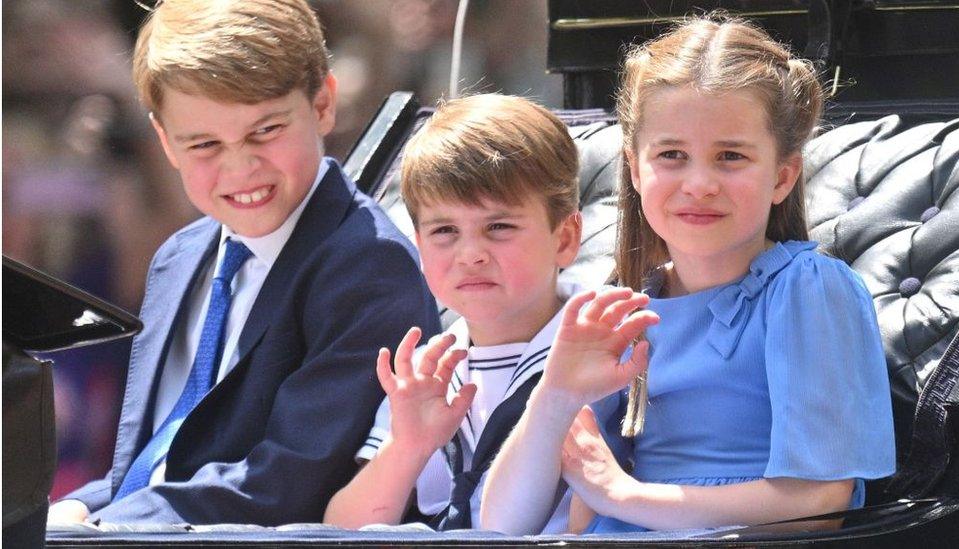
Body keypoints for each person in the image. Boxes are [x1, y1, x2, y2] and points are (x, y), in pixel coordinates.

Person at [480, 15, 897, 534]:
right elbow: (502, 526)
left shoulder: (806, 290)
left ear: (782, 177)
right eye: (672, 155)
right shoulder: (626, 309)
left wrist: (624, 495)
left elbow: (819, 502)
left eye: (730, 157)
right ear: (635, 170)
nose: (699, 183)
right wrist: (556, 393)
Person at [46, 0, 440, 526]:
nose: (241, 168)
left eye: (265, 131)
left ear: (323, 102)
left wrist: (106, 528)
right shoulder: (180, 258)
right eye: (205, 144)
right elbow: (155, 465)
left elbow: (288, 480)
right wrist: (76, 509)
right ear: (165, 140)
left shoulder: (367, 264)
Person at [323, 94, 584, 532]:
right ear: (420, 246)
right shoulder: (428, 372)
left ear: (565, 238)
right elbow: (340, 531)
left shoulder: (606, 351)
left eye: (498, 227)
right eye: (444, 231)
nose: (470, 254)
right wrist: (408, 447)